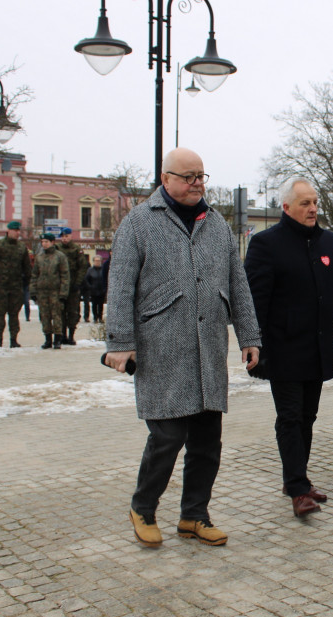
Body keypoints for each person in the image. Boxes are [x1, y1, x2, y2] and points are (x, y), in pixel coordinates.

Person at [103, 147, 261, 548]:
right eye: (187, 176)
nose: (195, 184)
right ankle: (143, 507)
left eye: (201, 176)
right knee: (168, 436)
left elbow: (238, 284)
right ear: (165, 178)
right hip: (161, 348)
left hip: (208, 349)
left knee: (208, 441)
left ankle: (195, 515)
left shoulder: (217, 224)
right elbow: (120, 286)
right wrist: (120, 343)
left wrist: (249, 335)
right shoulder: (139, 223)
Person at [243, 177, 333, 518]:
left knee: (308, 416)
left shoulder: (327, 241)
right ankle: (298, 488)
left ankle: (296, 478)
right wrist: (254, 345)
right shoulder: (266, 244)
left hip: (317, 347)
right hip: (282, 348)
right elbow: (255, 301)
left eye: (314, 202)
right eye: (304, 203)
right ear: (286, 208)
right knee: (290, 416)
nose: (312, 208)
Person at [0, 221, 32, 348]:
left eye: (18, 231)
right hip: (0, 286)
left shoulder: (22, 247)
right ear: (9, 231)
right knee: (0, 314)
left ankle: (13, 339)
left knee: (14, 314)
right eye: (15, 231)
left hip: (16, 286)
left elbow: (27, 267)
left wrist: (27, 283)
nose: (17, 233)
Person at [31, 233, 69, 349]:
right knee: (44, 316)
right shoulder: (39, 257)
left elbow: (65, 276)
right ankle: (47, 339)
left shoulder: (60, 256)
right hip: (42, 292)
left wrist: (63, 293)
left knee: (56, 315)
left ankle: (57, 339)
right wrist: (33, 290)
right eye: (42, 242)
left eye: (46, 242)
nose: (44, 244)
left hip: (55, 292)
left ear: (52, 242)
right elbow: (34, 275)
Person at [58, 227, 89, 345]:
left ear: (71, 236)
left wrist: (78, 282)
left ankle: (71, 335)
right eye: (63, 237)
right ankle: (62, 335)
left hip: (73, 286)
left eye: (66, 236)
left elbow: (83, 266)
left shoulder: (76, 249)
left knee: (72, 311)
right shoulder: (57, 249)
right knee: (61, 312)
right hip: (61, 286)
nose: (65, 239)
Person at [83, 255, 107, 323]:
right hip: (93, 291)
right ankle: (95, 318)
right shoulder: (90, 270)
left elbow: (106, 278)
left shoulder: (103, 269)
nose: (97, 262)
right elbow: (86, 279)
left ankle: (100, 317)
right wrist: (90, 287)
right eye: (96, 261)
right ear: (93, 261)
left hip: (101, 290)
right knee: (94, 305)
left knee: (101, 305)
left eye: (99, 261)